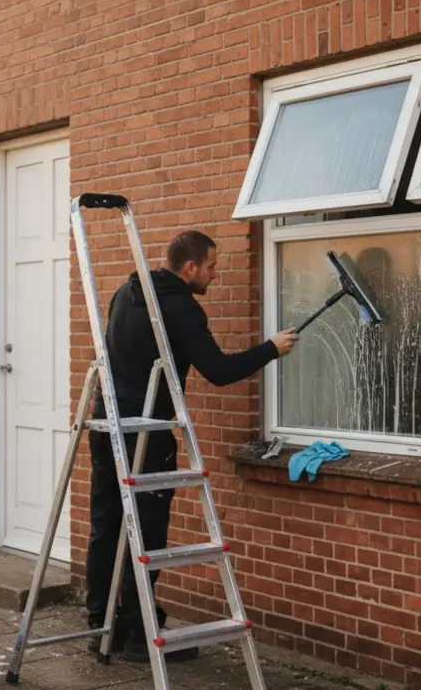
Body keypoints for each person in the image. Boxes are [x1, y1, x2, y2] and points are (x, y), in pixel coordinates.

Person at [85, 229, 300, 663]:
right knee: (145, 533)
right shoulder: (182, 308)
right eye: (212, 266)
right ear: (189, 268)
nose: (215, 275)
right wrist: (271, 349)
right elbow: (218, 370)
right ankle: (136, 634)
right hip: (145, 432)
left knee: (107, 521)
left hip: (107, 425)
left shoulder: (127, 294)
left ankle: (100, 623)